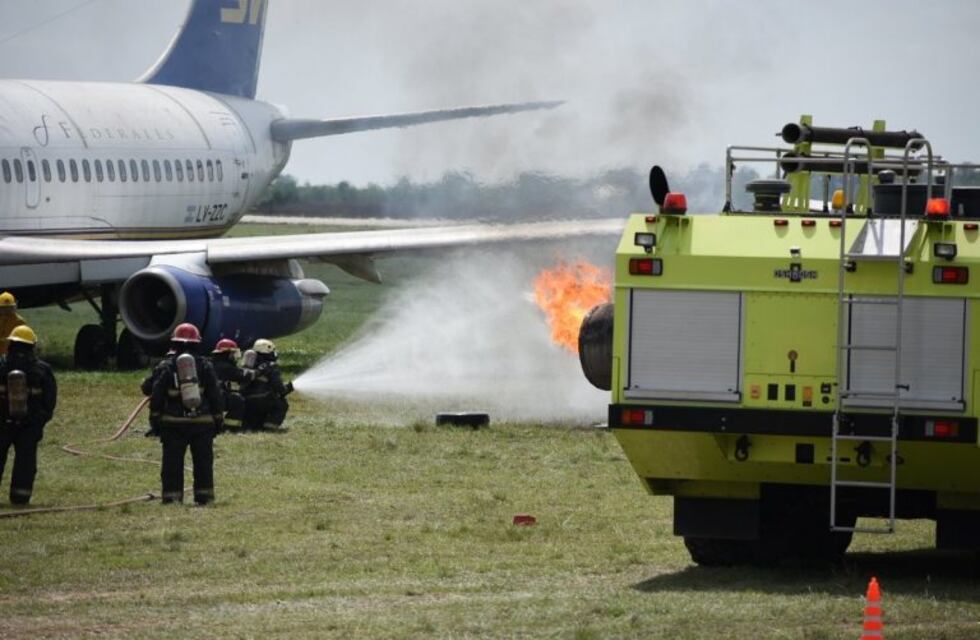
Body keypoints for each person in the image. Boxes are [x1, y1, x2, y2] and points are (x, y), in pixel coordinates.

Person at [148, 323, 224, 505]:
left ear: (174, 343)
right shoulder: (206, 365)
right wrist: (217, 419)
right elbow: (215, 394)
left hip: (173, 424)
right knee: (203, 462)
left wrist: (155, 419)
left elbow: (156, 395)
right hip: (202, 423)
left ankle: (172, 498)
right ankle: (205, 497)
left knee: (172, 463)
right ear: (197, 343)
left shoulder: (167, 366)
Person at [0, 326, 57, 505]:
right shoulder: (42, 369)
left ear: (10, 344)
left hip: (2, 422)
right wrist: (39, 421)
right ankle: (20, 497)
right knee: (25, 462)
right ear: (32, 345)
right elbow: (50, 400)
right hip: (29, 424)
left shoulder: (2, 365)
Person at [241, 339, 293, 430]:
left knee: (254, 422)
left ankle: (254, 424)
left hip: (246, 400)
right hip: (263, 399)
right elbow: (280, 389)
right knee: (282, 403)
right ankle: (270, 426)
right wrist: (288, 387)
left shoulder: (249, 365)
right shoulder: (271, 366)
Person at [210, 338, 249, 430]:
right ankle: (230, 427)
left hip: (208, 398)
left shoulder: (213, 363)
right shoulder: (225, 367)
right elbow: (242, 376)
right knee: (237, 400)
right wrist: (258, 371)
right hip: (217, 399)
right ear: (226, 353)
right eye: (233, 353)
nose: (234, 356)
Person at [0, 291, 26, 357]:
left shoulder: (19, 321)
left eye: (8, 307)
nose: (6, 310)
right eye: (3, 307)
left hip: (12, 355)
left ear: (13, 307)